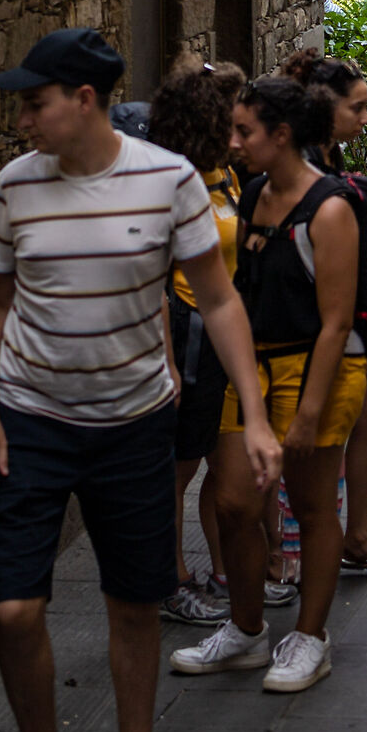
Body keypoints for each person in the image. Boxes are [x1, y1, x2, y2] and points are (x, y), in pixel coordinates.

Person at [0, 29, 280, 732]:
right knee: (15, 610)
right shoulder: (15, 185)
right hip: (31, 421)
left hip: (135, 421)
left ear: (85, 101)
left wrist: (253, 416)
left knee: (135, 604)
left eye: (35, 101)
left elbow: (217, 300)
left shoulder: (167, 179)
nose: (23, 116)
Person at [170, 76, 367, 694]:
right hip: (253, 367)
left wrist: (308, 413)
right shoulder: (253, 192)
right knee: (233, 502)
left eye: (245, 131)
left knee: (310, 508)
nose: (233, 142)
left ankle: (311, 638)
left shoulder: (330, 207)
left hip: (316, 370)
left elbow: (337, 322)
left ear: (281, 136)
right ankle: (249, 631)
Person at [276, 50, 367, 577]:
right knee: (302, 440)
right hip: (313, 326)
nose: (366, 118)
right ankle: (291, 553)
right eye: (358, 108)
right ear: (324, 107)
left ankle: (355, 535)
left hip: (348, 321)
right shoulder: (299, 163)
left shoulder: (325, 157)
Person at [146, 57, 251, 627]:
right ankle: (170, 579)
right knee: (179, 468)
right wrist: (165, 361)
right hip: (187, 336)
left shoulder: (223, 176)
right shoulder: (171, 186)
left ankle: (224, 571)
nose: (240, 138)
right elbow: (157, 280)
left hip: (218, 338)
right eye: (231, 127)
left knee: (221, 463)